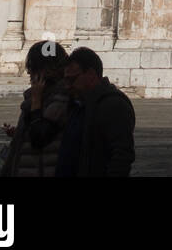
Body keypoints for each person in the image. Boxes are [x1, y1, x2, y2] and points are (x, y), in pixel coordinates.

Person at [54, 47, 135, 176]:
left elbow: (121, 156)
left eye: (72, 80)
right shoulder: (78, 104)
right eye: (66, 80)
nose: (68, 86)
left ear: (91, 74)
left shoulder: (113, 105)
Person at [0, 41, 70, 177]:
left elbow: (39, 137)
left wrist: (36, 101)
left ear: (45, 71)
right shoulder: (41, 95)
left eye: (33, 67)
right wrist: (20, 132)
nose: (29, 72)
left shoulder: (59, 98)